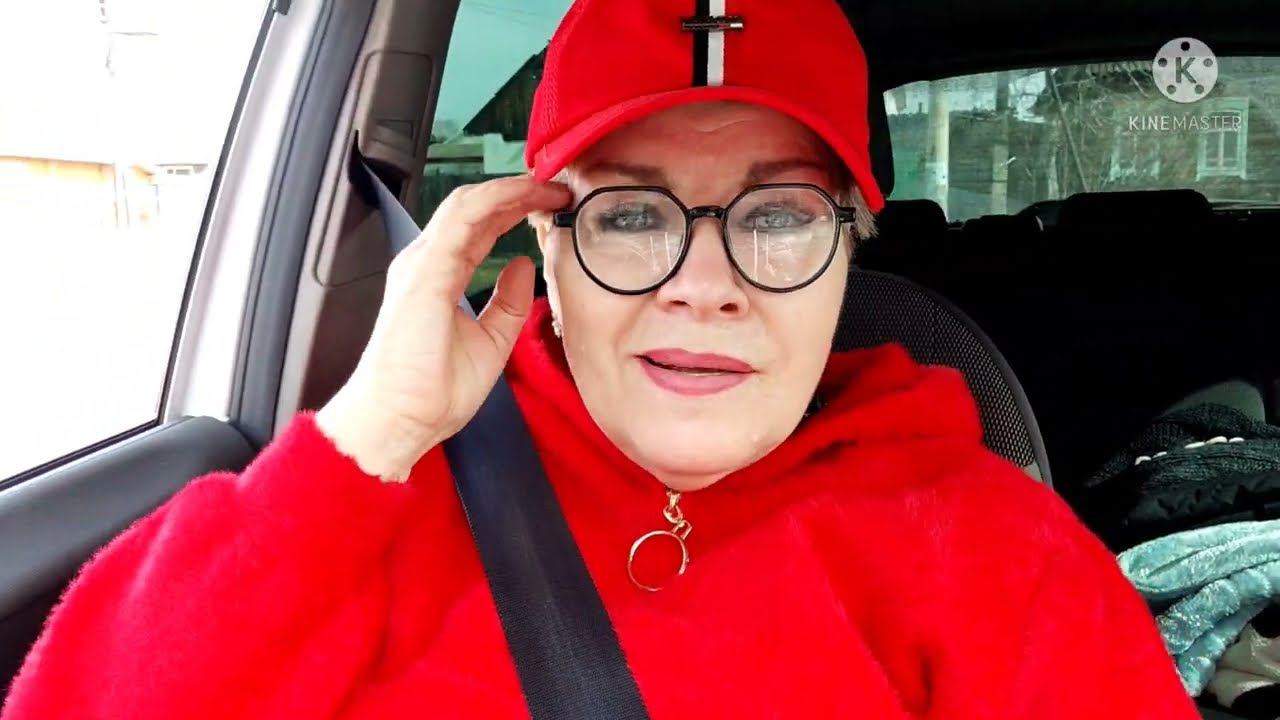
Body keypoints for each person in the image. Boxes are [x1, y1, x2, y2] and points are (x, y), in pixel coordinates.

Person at [2, 0, 1198, 718]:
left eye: (776, 216)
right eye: (629, 214)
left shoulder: (995, 550)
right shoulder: (366, 509)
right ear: (542, 244)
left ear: (847, 251)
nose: (703, 282)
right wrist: (364, 438)